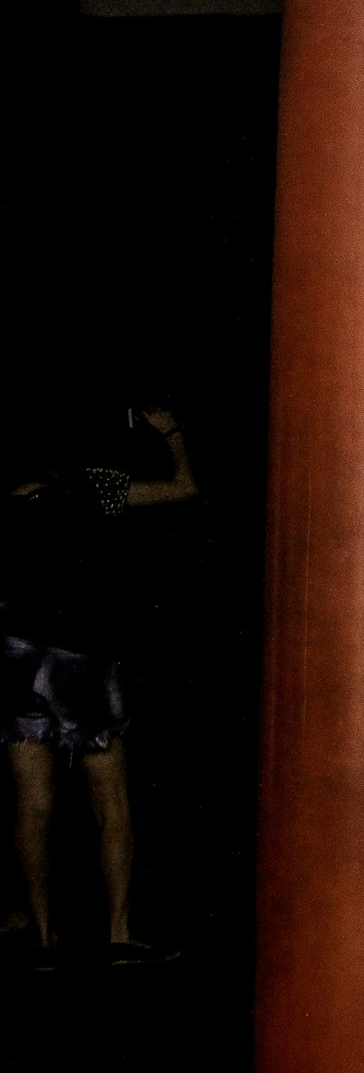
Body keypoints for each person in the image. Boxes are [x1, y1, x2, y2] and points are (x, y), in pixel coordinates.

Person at [2, 406, 197, 970]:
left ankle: (40, 936)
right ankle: (118, 933)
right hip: (83, 657)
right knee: (110, 802)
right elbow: (183, 488)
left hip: (17, 656)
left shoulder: (8, 499)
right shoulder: (96, 486)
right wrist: (173, 435)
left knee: (32, 804)